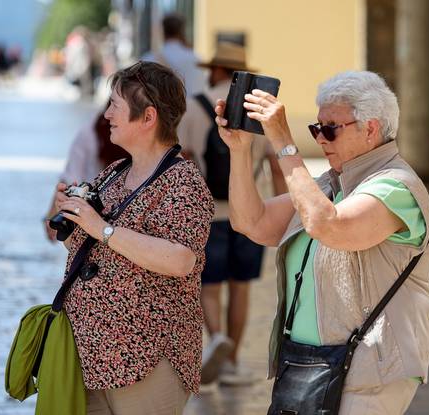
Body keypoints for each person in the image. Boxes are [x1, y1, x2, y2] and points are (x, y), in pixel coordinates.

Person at [214, 70, 429, 414]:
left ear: (371, 129)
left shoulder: (397, 187)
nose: (320, 139)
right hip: (308, 364)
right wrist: (240, 151)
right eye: (315, 128)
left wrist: (284, 144)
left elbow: (327, 225)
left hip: (368, 371)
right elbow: (251, 222)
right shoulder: (330, 184)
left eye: (330, 128)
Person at [53, 61, 214, 414]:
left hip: (149, 360)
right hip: (93, 356)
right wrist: (71, 220)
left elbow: (180, 259)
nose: (106, 114)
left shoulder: (183, 182)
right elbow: (87, 248)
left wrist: (102, 228)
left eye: (115, 105)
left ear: (148, 117)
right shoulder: (114, 173)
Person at [178, 41, 286, 386]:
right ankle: (234, 361)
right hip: (251, 212)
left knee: (209, 287)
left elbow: (187, 160)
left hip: (210, 215)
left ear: (217, 69)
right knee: (241, 287)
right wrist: (287, 208)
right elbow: (275, 164)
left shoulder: (196, 107)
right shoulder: (258, 108)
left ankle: (217, 341)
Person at [43, 106, 129, 241]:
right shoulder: (91, 134)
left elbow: (70, 179)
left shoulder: (89, 133)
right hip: (111, 228)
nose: (108, 114)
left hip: (88, 225)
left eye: (115, 104)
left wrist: (51, 216)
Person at [142, 13, 205, 97]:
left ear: (163, 31)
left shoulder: (149, 59)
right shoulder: (197, 59)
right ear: (182, 31)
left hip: (163, 110)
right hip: (195, 108)